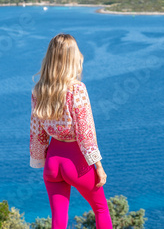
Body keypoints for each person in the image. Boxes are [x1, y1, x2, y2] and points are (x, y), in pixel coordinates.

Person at [29, 33, 113, 229]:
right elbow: (85, 132)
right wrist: (98, 166)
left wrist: (39, 160)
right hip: (76, 161)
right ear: (72, 58)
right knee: (101, 209)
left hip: (52, 162)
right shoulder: (77, 89)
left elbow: (36, 131)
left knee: (58, 220)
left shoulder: (38, 90)